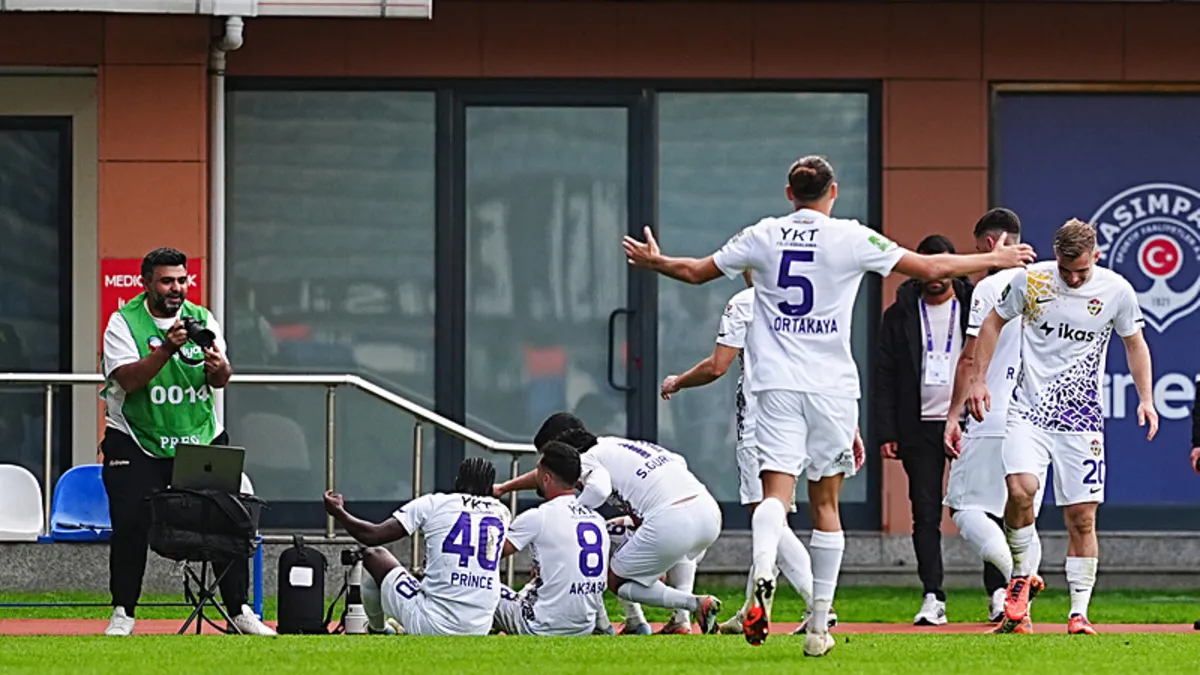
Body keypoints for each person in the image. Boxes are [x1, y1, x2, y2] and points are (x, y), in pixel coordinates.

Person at [621, 155, 1036, 653]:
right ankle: (818, 627)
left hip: (774, 387)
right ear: (832, 192)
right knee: (826, 504)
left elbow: (695, 271)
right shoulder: (851, 236)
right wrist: (993, 260)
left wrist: (656, 261)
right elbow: (930, 266)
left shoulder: (763, 234)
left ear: (789, 193)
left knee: (773, 495)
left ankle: (762, 580)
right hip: (832, 387)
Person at [966, 218, 1157, 635]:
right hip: (1028, 411)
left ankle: (1078, 613)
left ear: (1097, 258)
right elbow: (993, 322)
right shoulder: (1031, 281)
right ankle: (1020, 577)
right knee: (1020, 490)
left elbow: (1134, 342)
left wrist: (1146, 398)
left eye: (1081, 271)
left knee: (1082, 518)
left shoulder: (1115, 290)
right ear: (1055, 256)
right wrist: (978, 379)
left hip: (1081, 420)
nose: (1072, 278)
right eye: (1066, 269)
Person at [99, 247, 273, 637]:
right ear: (147, 283)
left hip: (199, 439)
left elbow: (219, 378)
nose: (176, 288)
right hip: (137, 440)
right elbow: (128, 380)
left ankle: (239, 610)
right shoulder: (123, 323)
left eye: (181, 280)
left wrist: (221, 370)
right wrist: (167, 348)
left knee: (231, 517)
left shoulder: (202, 318)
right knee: (129, 525)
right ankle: (123, 612)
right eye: (166, 281)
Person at [660, 272, 830, 636]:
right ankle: (750, 608)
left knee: (767, 517)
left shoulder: (745, 302)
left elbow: (717, 366)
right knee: (775, 518)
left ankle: (817, 602)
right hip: (800, 424)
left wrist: (678, 381)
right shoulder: (805, 308)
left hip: (761, 425)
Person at [495, 412, 724, 634]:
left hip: (670, 519)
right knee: (627, 536)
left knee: (616, 578)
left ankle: (693, 604)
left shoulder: (586, 459)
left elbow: (599, 488)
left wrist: (570, 517)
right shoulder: (612, 445)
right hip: (707, 511)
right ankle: (678, 621)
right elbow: (677, 462)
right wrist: (505, 487)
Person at [873, 233, 986, 625]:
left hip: (974, 420)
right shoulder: (900, 312)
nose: (936, 277)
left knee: (985, 506)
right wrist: (887, 430)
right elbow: (884, 375)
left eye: (943, 268)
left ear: (954, 269)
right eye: (928, 268)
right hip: (918, 425)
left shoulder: (976, 307)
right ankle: (933, 595)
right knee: (924, 513)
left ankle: (999, 592)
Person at [943, 209, 1047, 629]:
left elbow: (970, 357)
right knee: (1023, 518)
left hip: (992, 412)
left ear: (991, 244)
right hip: (1040, 421)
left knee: (964, 508)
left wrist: (953, 413)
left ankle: (1017, 579)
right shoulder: (1052, 283)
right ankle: (1024, 608)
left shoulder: (989, 286)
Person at [322, 457, 512, 636]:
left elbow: (372, 536)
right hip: (479, 628)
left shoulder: (434, 503)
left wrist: (339, 513)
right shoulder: (502, 512)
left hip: (430, 624)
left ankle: (378, 629)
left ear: (457, 482)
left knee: (374, 555)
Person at [492, 441, 610, 637]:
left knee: (478, 587)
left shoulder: (538, 516)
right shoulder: (597, 518)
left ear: (546, 478)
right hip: (583, 626)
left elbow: (485, 557)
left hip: (540, 626)